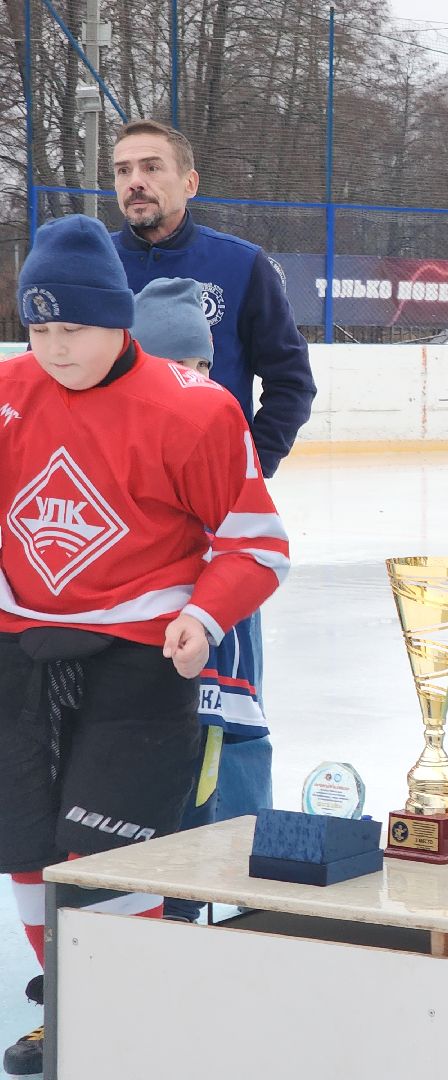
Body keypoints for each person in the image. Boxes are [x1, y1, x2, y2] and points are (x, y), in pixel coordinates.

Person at [0, 216, 289, 1076]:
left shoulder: (192, 409)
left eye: (74, 328)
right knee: (27, 848)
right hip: (20, 653)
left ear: (118, 318)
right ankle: (73, 1006)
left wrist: (203, 616)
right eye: (38, 327)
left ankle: (134, 1013)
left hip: (138, 659)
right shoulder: (7, 397)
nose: (55, 347)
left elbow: (255, 543)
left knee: (107, 850)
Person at [110, 118, 314, 827]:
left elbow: (289, 383)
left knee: (231, 703)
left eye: (152, 167)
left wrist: (244, 475)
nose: (136, 181)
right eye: (123, 170)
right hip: (120, 534)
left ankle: (235, 851)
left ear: (188, 182)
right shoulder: (96, 270)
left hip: (215, 537)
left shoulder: (241, 265)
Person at [128, 277, 257, 923]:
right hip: (129, 679)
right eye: (180, 363)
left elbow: (251, 559)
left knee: (196, 812)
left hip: (207, 678)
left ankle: (181, 933)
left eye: (204, 364)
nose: (196, 377)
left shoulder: (219, 433)